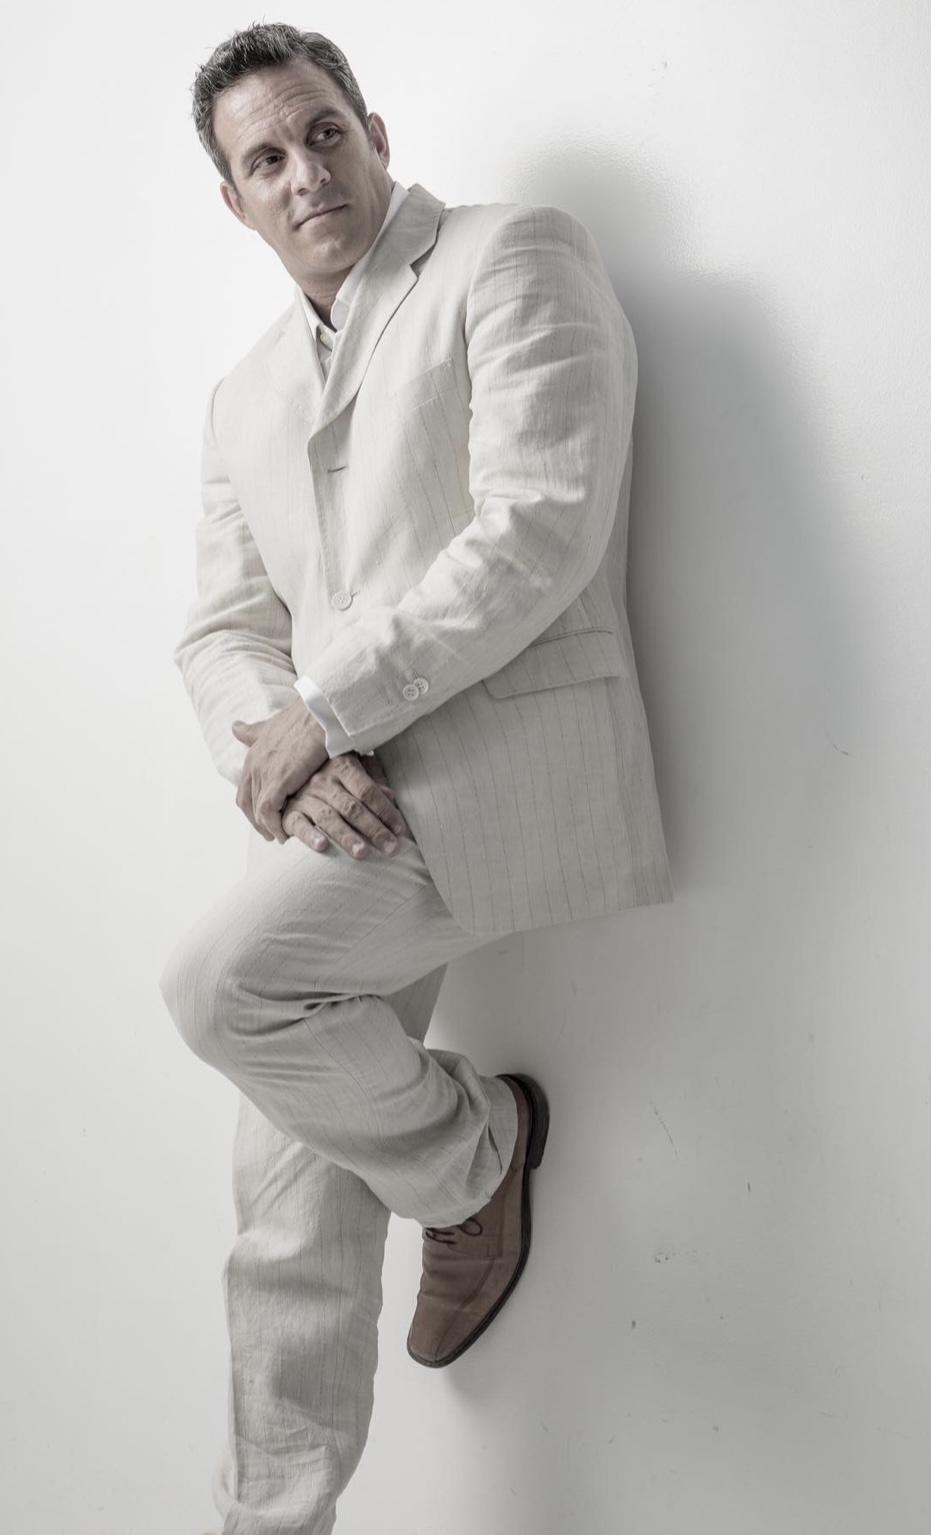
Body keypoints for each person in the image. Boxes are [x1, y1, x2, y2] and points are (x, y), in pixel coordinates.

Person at [158, 21, 674, 1534]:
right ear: (236, 201)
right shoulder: (242, 395)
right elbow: (222, 632)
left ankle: (474, 1158)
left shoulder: (512, 257)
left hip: (499, 765)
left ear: (372, 131)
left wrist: (328, 710)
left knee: (222, 991)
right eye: (266, 158)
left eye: (323, 131)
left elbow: (542, 525)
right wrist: (285, 756)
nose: (304, 171)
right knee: (283, 1221)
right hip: (344, 808)